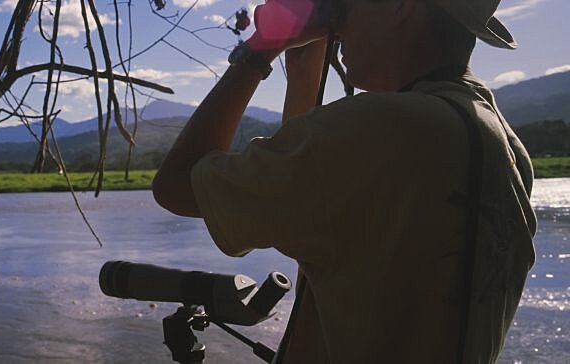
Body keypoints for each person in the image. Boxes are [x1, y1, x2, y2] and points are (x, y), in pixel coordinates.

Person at [151, 0, 536, 362]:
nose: (337, 21)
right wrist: (304, 74)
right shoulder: (502, 145)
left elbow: (177, 185)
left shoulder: (380, 128)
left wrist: (260, 49)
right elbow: (315, 216)